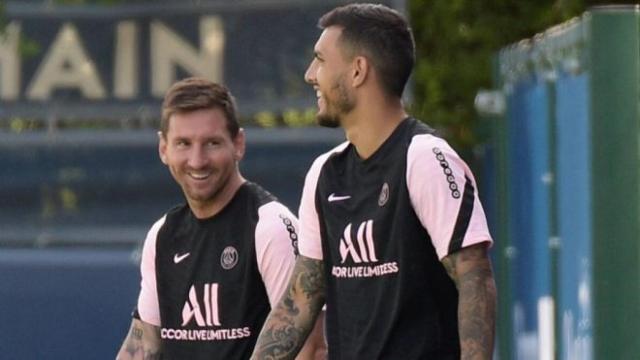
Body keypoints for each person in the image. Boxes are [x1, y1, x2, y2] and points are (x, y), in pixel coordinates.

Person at [251, 3, 496, 360]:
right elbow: (298, 303)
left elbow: (475, 279)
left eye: (320, 59)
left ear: (358, 70)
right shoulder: (325, 173)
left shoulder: (423, 157)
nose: (309, 75)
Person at [115, 77, 325, 360]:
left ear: (238, 144)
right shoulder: (163, 235)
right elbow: (141, 347)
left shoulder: (269, 226)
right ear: (163, 148)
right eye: (183, 143)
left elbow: (311, 349)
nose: (197, 160)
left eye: (212, 143)